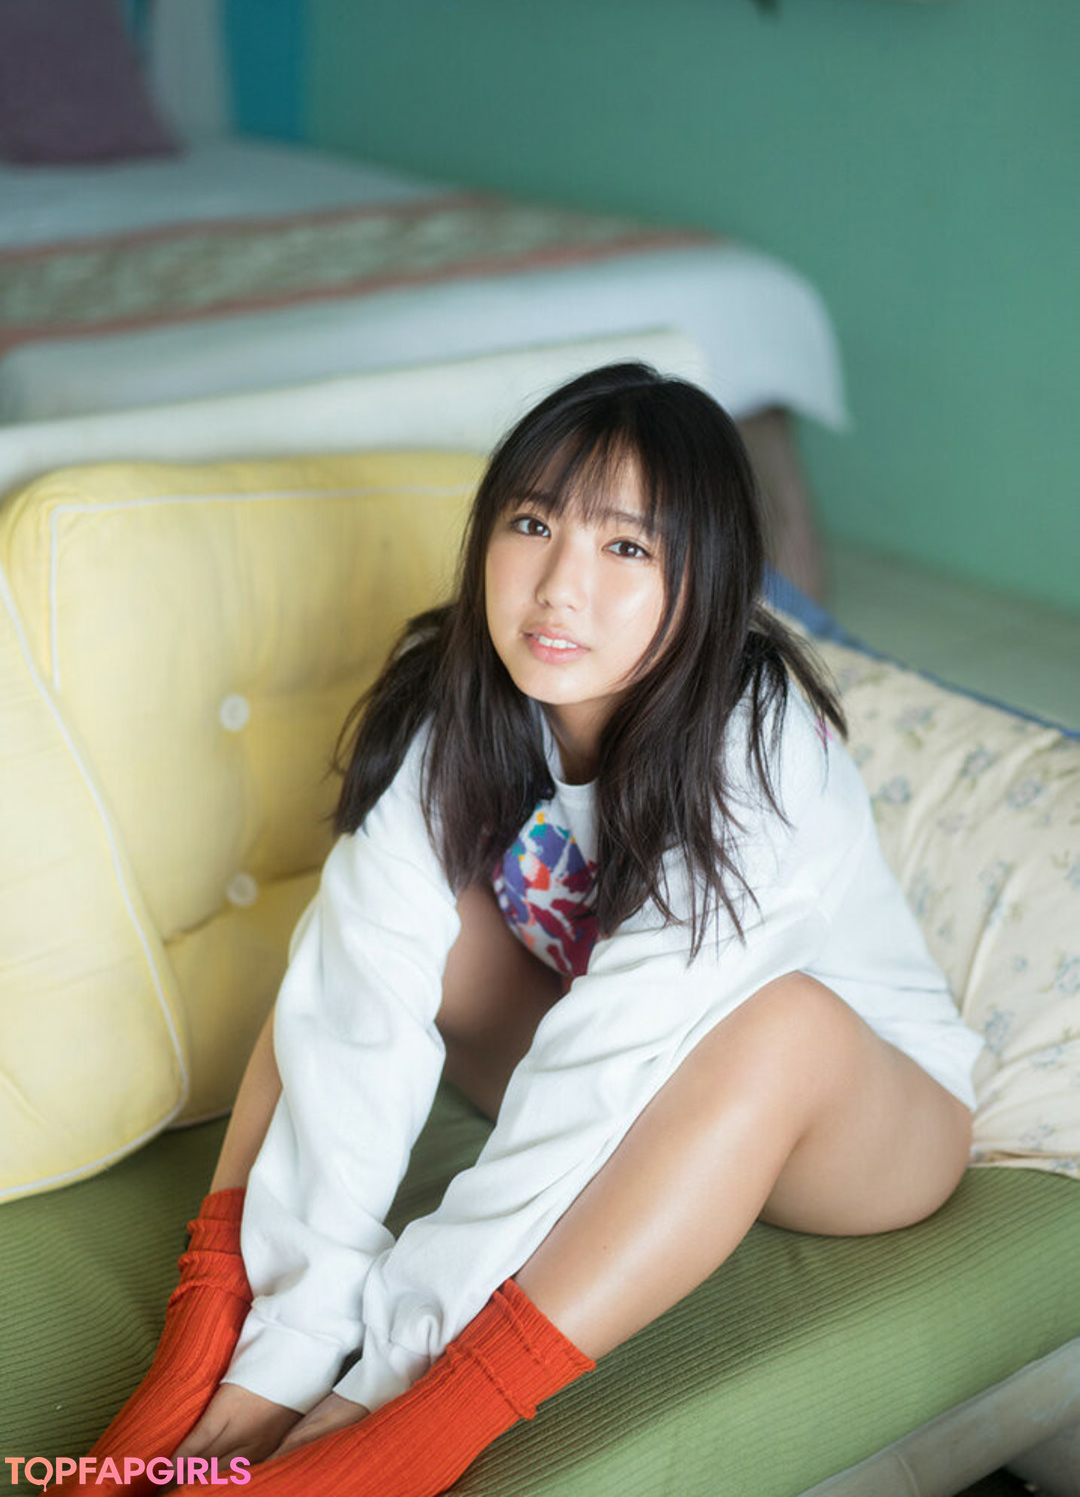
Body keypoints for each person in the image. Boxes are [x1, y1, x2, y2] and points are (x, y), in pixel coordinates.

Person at [69, 364, 982, 1497]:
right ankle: (214, 1326)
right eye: (535, 524)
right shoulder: (457, 702)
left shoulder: (761, 748)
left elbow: (612, 1061)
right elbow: (357, 1014)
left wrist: (389, 1371)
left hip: (855, 1126)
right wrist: (287, 1353)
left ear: (707, 581)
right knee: (354, 937)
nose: (559, 588)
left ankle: (427, 1429)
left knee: (777, 1022)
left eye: (627, 547)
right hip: (607, 1066)